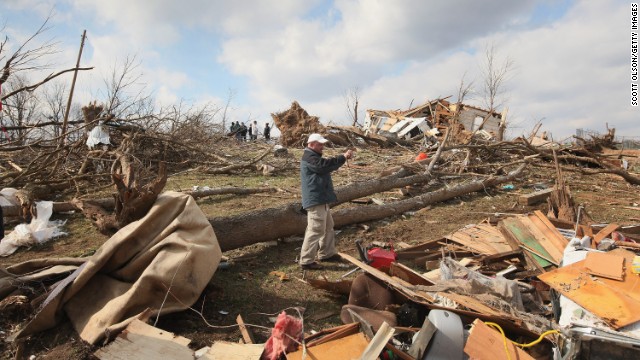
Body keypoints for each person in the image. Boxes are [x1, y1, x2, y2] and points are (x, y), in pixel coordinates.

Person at [299, 133, 353, 270]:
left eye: (323, 144)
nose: (322, 146)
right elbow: (324, 166)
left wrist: (341, 158)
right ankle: (306, 260)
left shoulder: (313, 156)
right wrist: (342, 157)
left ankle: (326, 253)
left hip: (320, 198)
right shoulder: (310, 157)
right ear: (311, 144)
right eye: (320, 144)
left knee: (328, 226)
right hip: (315, 199)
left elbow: (326, 165)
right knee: (315, 229)